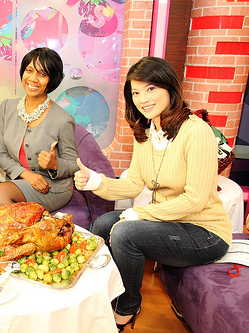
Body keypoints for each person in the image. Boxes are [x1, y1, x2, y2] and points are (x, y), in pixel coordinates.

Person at [74, 57, 232, 331]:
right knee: (103, 224)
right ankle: (102, 292)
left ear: (170, 88)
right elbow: (134, 184)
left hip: (205, 232)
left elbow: (195, 199)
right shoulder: (147, 132)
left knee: (125, 232)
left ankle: (128, 306)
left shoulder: (197, 131)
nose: (142, 98)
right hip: (170, 222)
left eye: (150, 89)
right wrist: (94, 180)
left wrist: (139, 213)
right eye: (135, 92)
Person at [0, 47, 78, 213]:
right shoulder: (7, 107)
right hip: (21, 180)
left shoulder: (63, 119)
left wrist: (55, 164)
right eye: (29, 70)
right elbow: (0, 153)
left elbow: (74, 164)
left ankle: (32, 235)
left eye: (42, 74)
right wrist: (26, 175)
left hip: (50, 187)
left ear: (52, 80)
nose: (33, 78)